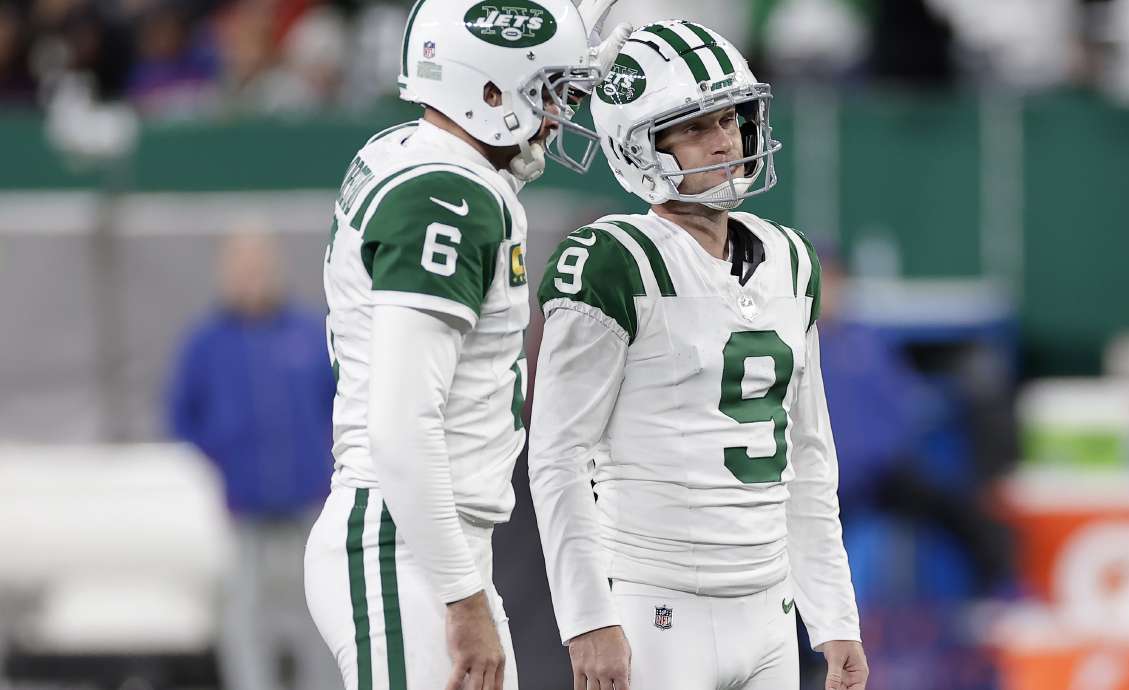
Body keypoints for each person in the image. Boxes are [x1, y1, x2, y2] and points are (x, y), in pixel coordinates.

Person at [529, 21, 869, 690]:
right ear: (639, 146)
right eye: (694, 127)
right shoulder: (612, 262)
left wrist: (833, 613)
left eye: (730, 118)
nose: (726, 141)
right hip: (657, 609)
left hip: (769, 609)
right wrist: (586, 617)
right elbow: (557, 456)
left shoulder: (791, 259)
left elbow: (807, 455)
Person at [301, 2, 631, 689]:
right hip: (404, 543)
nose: (556, 115)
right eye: (546, 91)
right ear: (486, 91)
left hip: (432, 545)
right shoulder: (448, 195)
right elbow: (400, 424)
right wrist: (462, 595)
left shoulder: (429, 158)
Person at [166, 230, 338, 690]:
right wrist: (220, 467)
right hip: (239, 513)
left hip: (310, 508)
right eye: (241, 267)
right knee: (244, 619)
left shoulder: (309, 334)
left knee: (319, 614)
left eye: (258, 265)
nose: (251, 276)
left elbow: (341, 408)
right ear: (225, 273)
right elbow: (181, 421)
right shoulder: (205, 346)